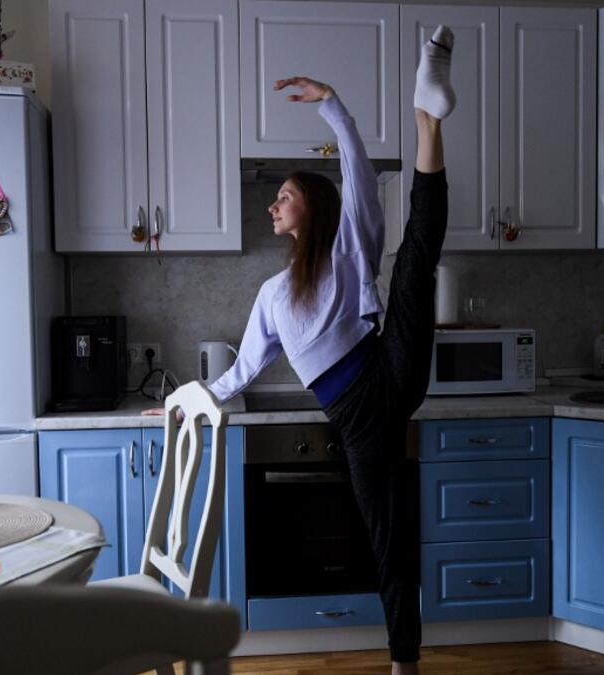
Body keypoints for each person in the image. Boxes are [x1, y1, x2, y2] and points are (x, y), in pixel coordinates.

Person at [144, 26, 455, 673]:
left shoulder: (346, 249)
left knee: (414, 263)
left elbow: (358, 172)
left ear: (309, 207)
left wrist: (333, 103)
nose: (272, 207)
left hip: (387, 367)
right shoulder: (271, 296)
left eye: (283, 196)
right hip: (357, 420)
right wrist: (182, 399)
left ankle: (428, 110)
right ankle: (406, 664)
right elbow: (240, 372)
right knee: (387, 539)